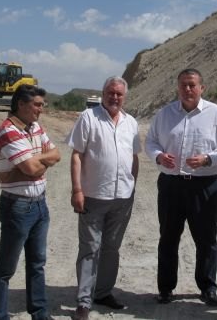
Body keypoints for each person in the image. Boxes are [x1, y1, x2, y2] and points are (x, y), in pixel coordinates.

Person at [145, 68, 217, 306]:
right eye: (184, 85)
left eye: (192, 85)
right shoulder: (164, 114)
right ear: (178, 87)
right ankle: (165, 288)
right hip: (171, 185)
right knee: (168, 238)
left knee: (206, 239)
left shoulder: (216, 114)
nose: (188, 89)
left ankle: (207, 287)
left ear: (202, 88)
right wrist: (158, 156)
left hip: (204, 185)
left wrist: (208, 158)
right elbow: (150, 142)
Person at [67, 77, 140, 320]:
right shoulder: (88, 118)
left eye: (119, 94)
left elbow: (134, 158)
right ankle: (84, 302)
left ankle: (103, 292)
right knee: (90, 248)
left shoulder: (131, 123)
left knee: (111, 248)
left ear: (125, 96)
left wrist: (133, 187)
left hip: (122, 199)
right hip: (93, 197)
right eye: (111, 93)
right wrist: (77, 190)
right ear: (103, 93)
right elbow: (77, 155)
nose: (115, 97)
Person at [0, 84, 61, 320]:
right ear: (21, 104)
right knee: (6, 269)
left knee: (37, 263)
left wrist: (34, 159)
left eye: (42, 105)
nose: (41, 110)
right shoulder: (7, 131)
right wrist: (38, 160)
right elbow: (31, 168)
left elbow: (57, 154)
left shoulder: (35, 127)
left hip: (40, 204)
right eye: (37, 105)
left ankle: (39, 314)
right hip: (17, 207)